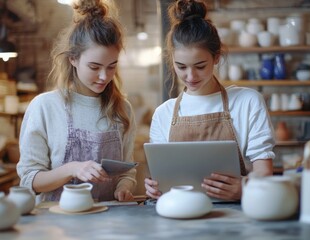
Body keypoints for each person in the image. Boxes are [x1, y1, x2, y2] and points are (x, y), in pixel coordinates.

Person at [144, 0, 275, 201]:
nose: (190, 76)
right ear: (172, 60)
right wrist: (154, 188)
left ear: (216, 57)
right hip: (181, 214)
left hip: (236, 215)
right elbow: (161, 179)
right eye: (181, 66)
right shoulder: (164, 113)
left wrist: (244, 188)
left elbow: (264, 173)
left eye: (200, 66)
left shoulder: (248, 102)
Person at [17, 0, 137, 202]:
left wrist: (124, 187)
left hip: (108, 223)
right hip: (56, 226)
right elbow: (30, 180)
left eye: (111, 66)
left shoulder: (122, 109)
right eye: (94, 66)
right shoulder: (45, 107)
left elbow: (127, 172)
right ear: (73, 59)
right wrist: (72, 169)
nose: (103, 76)